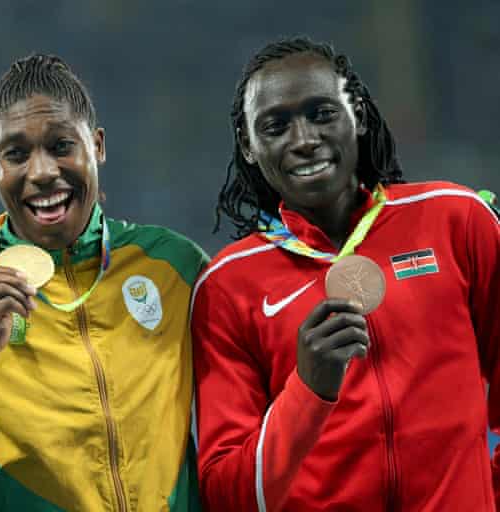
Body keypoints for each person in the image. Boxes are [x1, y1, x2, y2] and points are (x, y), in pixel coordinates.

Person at [192, 36, 500, 511]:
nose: (303, 140)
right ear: (249, 147)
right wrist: (308, 390)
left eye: (322, 113)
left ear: (356, 114)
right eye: (275, 125)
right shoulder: (228, 287)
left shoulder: (455, 221)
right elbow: (229, 495)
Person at [0, 54, 208, 511]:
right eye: (16, 154)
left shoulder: (175, 267)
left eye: (62, 146)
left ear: (97, 146)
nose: (42, 172)